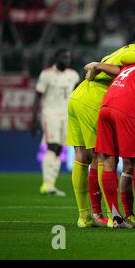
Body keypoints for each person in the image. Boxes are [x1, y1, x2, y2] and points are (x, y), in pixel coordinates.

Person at [67, 43, 135, 228]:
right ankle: (112, 217)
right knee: (102, 156)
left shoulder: (115, 53)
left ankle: (85, 216)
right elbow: (120, 70)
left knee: (82, 157)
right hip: (94, 100)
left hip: (78, 96)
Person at [31, 49, 80, 197]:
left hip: (66, 115)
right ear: (56, 57)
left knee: (59, 149)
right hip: (50, 114)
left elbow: (78, 95)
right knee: (52, 146)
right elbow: (37, 96)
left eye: (68, 57)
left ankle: (50, 184)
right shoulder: (47, 74)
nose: (67, 60)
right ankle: (46, 184)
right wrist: (34, 119)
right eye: (64, 57)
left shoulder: (73, 75)